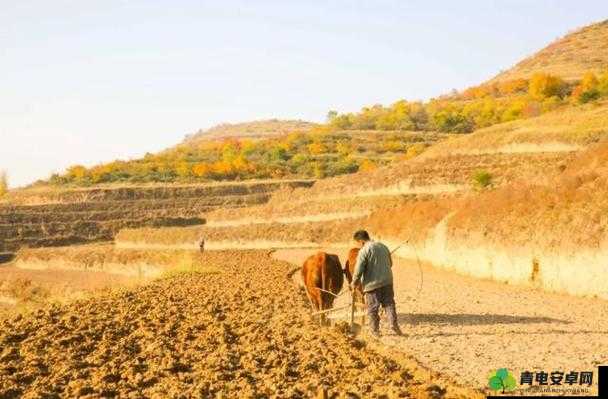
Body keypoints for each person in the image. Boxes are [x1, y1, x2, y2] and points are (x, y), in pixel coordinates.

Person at [350, 230, 403, 337]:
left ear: (361, 241)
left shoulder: (364, 251)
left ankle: (375, 331)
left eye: (358, 243)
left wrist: (354, 282)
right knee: (389, 303)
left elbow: (359, 270)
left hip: (372, 284)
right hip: (387, 281)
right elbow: (390, 263)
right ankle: (393, 324)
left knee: (373, 308)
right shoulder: (383, 246)